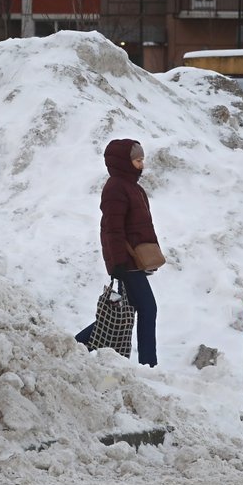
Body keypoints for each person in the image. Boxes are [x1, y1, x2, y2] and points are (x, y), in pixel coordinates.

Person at [76, 139, 160, 367]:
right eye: (137, 160)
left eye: (142, 160)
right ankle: (148, 365)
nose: (142, 165)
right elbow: (112, 229)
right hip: (126, 262)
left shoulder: (133, 187)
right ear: (125, 162)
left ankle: (75, 346)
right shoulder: (115, 187)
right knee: (147, 308)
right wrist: (118, 264)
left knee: (124, 312)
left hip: (134, 262)